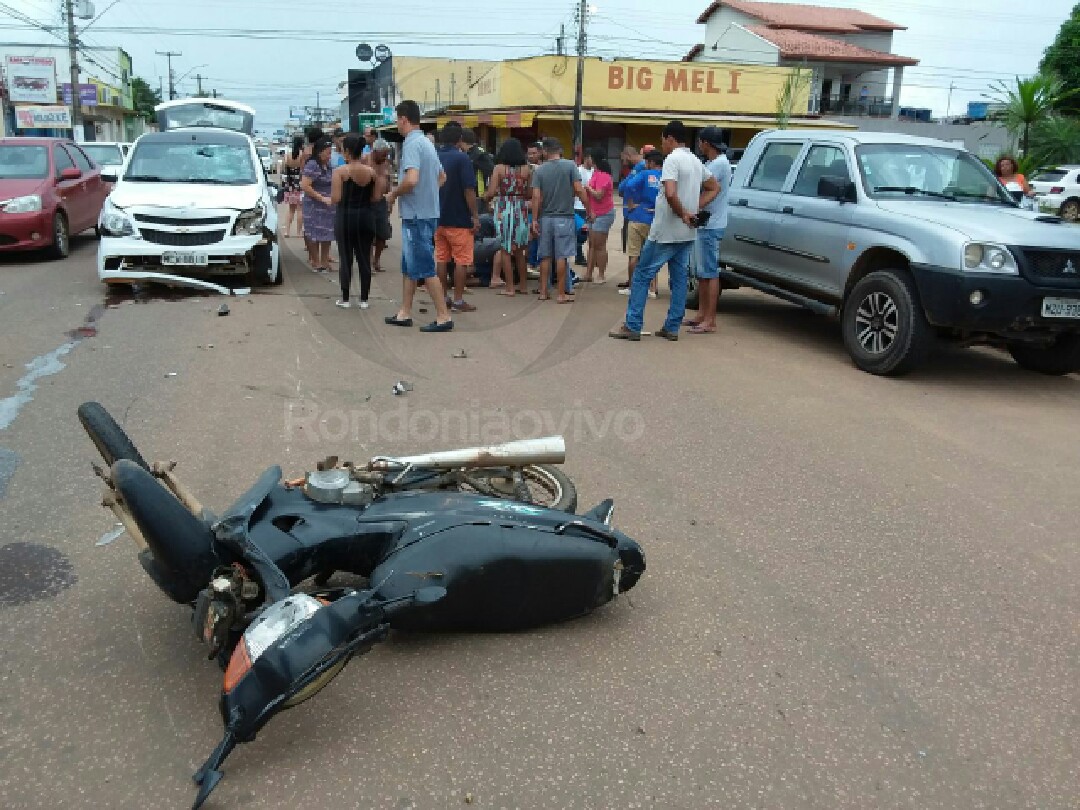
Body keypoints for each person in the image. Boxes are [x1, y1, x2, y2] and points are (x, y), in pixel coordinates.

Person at [609, 120, 719, 342]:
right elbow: (714, 187)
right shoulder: (696, 161)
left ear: (669, 139)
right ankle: (671, 326)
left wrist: (684, 213)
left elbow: (669, 193)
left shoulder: (672, 160)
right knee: (678, 279)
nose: (663, 146)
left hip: (665, 231)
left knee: (641, 275)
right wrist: (694, 208)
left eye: (663, 141)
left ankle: (632, 325)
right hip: (686, 232)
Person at [384, 100, 454, 332]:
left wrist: (394, 193)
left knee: (424, 267)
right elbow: (441, 177)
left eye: (397, 119)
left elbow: (412, 179)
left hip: (416, 215)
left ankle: (444, 316)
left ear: (404, 119)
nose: (397, 124)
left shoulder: (412, 144)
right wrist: (428, 193)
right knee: (410, 266)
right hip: (426, 212)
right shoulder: (427, 143)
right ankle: (405, 311)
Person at [530, 137, 592, 303]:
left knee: (545, 256)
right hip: (565, 217)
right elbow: (579, 190)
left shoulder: (540, 170)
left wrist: (534, 219)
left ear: (545, 151)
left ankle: (543, 292)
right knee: (561, 257)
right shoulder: (570, 166)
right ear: (559, 150)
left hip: (545, 218)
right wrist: (589, 210)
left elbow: (536, 196)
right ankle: (561, 294)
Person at [685, 126, 731, 335]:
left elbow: (704, 185)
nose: (699, 145)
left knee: (710, 272)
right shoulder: (713, 163)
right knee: (703, 273)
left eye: (701, 142)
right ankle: (702, 314)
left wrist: (696, 207)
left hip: (711, 224)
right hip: (706, 224)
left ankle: (710, 319)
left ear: (706, 143)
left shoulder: (719, 165)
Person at [434, 123, 480, 313]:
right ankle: (458, 300)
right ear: (460, 139)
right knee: (461, 260)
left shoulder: (434, 156)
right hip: (459, 218)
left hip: (437, 216)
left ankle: (443, 297)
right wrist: (475, 215)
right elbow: (469, 189)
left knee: (442, 259)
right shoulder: (462, 159)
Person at [331, 134, 378, 309]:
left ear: (348, 152)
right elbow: (374, 197)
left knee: (346, 258)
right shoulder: (371, 172)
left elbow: (336, 198)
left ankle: (345, 299)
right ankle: (364, 299)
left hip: (345, 217)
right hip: (366, 217)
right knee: (365, 258)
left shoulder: (340, 172)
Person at [484, 137, 533, 296]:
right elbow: (530, 193)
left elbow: (491, 192)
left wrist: (487, 198)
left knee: (505, 249)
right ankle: (523, 286)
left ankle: (510, 287)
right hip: (521, 208)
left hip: (504, 208)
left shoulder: (499, 168)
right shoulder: (527, 169)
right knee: (520, 250)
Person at [617, 148, 663, 300]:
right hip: (655, 219)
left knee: (634, 256)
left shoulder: (644, 173)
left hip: (638, 217)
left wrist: (630, 204)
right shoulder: (666, 176)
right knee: (651, 257)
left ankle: (632, 286)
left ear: (650, 162)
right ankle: (653, 289)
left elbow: (628, 186)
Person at [300, 137, 337, 273]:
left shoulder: (327, 166)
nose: (329, 156)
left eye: (330, 153)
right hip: (314, 205)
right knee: (313, 233)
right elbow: (305, 185)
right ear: (320, 152)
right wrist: (321, 198)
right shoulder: (312, 164)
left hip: (328, 206)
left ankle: (324, 260)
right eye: (327, 153)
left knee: (327, 233)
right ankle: (316, 261)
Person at [581, 147, 615, 284]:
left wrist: (587, 188)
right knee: (592, 244)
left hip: (603, 213)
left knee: (599, 245)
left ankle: (601, 274)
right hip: (593, 213)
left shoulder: (603, 175)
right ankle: (588, 273)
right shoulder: (596, 173)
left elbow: (599, 195)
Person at [369, 138, 393, 273]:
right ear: (375, 151)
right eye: (383, 154)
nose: (385, 157)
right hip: (368, 203)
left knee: (383, 235)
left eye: (386, 154)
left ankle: (376, 260)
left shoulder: (385, 163)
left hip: (381, 202)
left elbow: (388, 184)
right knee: (368, 234)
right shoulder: (366, 160)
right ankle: (369, 261)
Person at [619, 145, 645, 256]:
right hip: (631, 213)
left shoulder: (639, 167)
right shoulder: (637, 168)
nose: (624, 163)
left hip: (634, 214)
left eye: (624, 160)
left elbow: (623, 187)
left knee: (634, 253)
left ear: (628, 156)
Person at [461, 128, 495, 215]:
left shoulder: (479, 154)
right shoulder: (465, 153)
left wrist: (488, 192)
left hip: (478, 196)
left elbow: (492, 172)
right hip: (467, 195)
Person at [280, 135, 305, 239]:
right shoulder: (303, 156)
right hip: (300, 184)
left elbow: (282, 170)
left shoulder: (287, 156)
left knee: (290, 209)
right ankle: (299, 233)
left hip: (290, 185)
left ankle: (287, 231)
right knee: (300, 210)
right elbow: (304, 170)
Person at [574, 151, 594, 266]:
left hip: (588, 205)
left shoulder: (593, 171)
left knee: (588, 233)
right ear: (586, 158)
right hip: (578, 206)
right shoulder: (578, 170)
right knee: (581, 232)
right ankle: (579, 255)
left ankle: (586, 256)